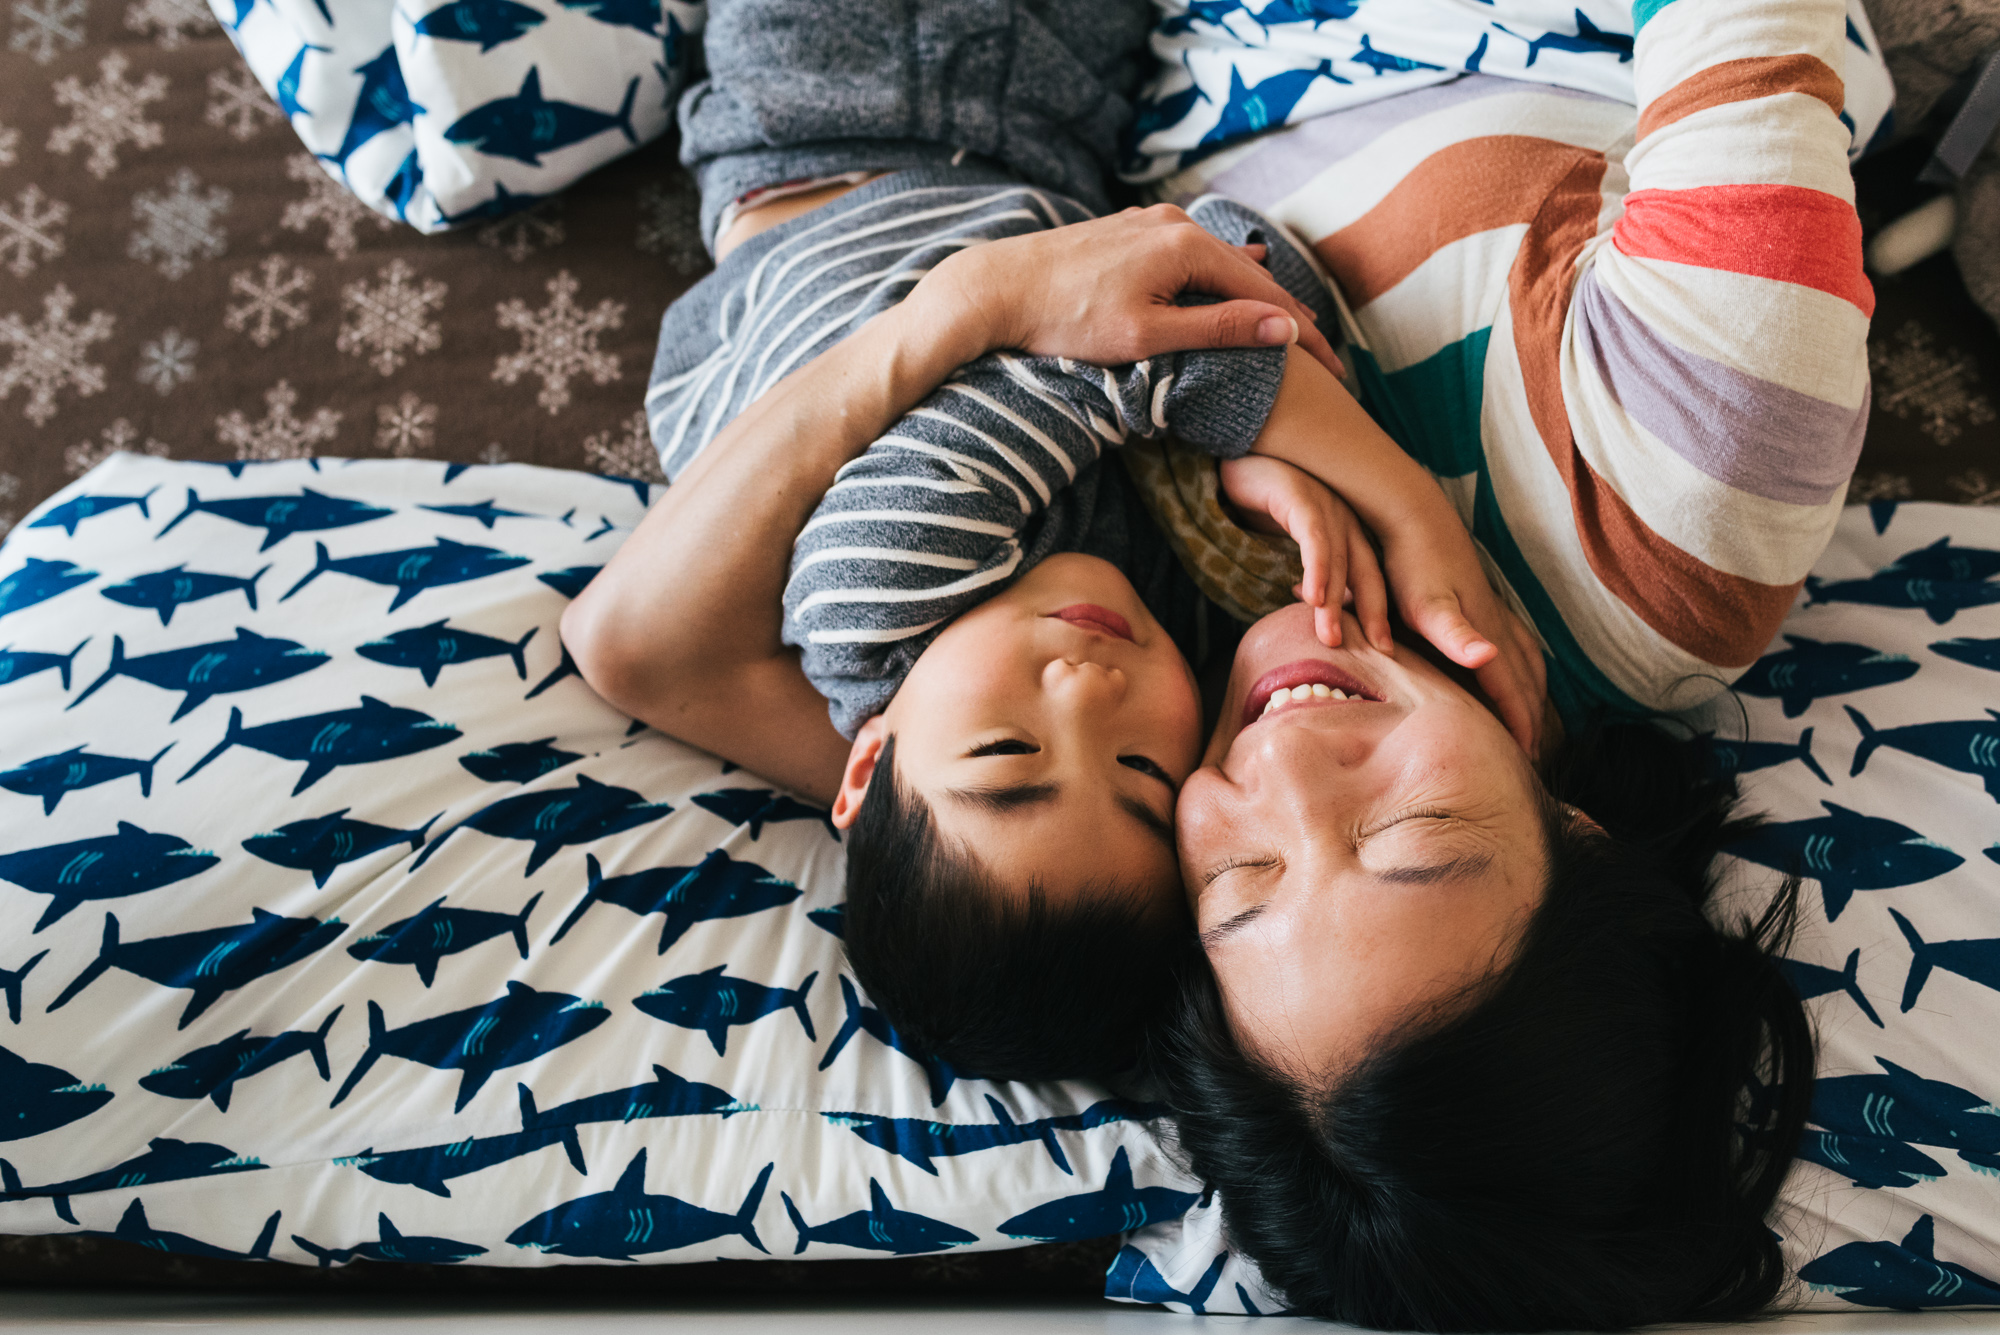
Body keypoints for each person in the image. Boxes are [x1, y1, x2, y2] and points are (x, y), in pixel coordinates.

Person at [566, 0, 1541, 1081]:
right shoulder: (1175, 636)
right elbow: (1225, 259)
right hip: (1049, 136)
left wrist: (1335, 467)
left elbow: (1129, 346)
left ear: (864, 765)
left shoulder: (869, 591)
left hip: (831, 118)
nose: (1084, 693)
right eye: (1137, 769)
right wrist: (1239, 469)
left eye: (1006, 754)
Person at [1125, 0, 1874, 1325]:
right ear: (1583, 836)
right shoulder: (1685, 494)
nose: (1283, 764)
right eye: (1407, 837)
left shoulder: (1144, 651)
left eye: (1240, 879)